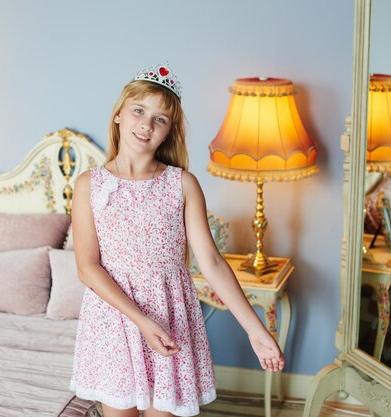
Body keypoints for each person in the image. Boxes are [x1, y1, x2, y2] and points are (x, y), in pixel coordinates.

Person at [69, 63, 285, 417]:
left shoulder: (181, 184)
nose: (146, 124)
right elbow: (87, 268)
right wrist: (142, 320)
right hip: (114, 321)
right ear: (119, 115)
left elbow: (212, 263)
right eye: (139, 110)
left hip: (170, 318)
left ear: (169, 132)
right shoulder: (89, 185)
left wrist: (256, 330)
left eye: (160, 119)